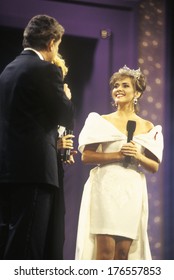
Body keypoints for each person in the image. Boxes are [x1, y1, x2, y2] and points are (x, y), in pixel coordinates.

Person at [0, 14, 74, 259]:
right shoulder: (45, 70)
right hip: (34, 171)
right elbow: (64, 114)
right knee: (28, 244)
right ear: (52, 42)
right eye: (58, 45)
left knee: (10, 239)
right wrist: (66, 96)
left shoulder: (7, 71)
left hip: (8, 170)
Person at [75, 65, 164, 260]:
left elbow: (154, 166)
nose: (118, 89)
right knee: (105, 252)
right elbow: (86, 156)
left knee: (123, 254)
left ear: (137, 93)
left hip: (131, 190)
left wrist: (138, 156)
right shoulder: (101, 121)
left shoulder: (149, 127)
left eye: (125, 85)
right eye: (116, 85)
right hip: (105, 187)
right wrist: (118, 155)